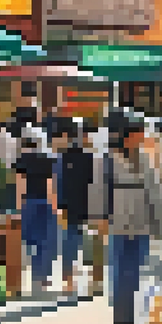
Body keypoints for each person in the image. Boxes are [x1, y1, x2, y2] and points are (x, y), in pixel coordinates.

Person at [90, 112, 162, 324]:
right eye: (138, 132)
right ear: (126, 135)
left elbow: (155, 192)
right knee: (120, 272)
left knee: (137, 271)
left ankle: (133, 319)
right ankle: (122, 319)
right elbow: (97, 190)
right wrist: (100, 219)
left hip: (141, 220)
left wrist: (161, 224)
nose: (142, 137)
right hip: (117, 220)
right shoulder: (106, 160)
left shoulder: (144, 159)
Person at [15, 125, 60, 295]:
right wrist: (54, 206)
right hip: (45, 203)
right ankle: (42, 277)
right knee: (46, 242)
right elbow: (51, 185)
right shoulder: (49, 159)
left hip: (29, 203)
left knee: (30, 241)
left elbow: (20, 184)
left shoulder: (21, 160)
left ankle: (33, 276)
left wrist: (19, 206)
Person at [58, 119, 95, 295]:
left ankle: (69, 281)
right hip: (86, 206)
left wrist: (61, 205)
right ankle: (93, 280)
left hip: (71, 205)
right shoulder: (90, 157)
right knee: (87, 242)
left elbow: (60, 182)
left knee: (71, 242)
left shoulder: (65, 157)